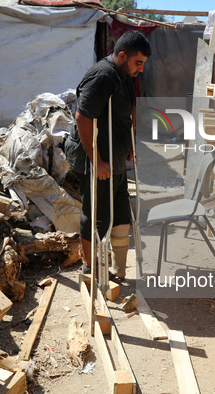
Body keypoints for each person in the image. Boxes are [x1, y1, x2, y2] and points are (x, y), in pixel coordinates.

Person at [72, 30, 152, 281]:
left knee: (119, 214)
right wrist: (97, 160)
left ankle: (117, 268)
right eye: (137, 62)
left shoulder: (126, 74)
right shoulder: (104, 76)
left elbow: (129, 109)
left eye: (143, 64)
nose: (140, 69)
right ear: (121, 55)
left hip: (116, 159)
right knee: (96, 215)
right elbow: (83, 117)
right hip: (98, 159)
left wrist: (130, 142)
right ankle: (91, 268)